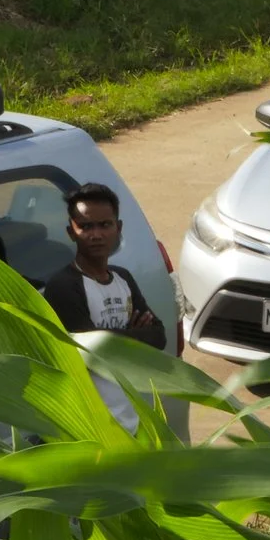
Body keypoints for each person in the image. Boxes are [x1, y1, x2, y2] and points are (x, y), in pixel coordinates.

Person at [40, 183, 168, 429]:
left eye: (104, 225)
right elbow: (89, 351)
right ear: (71, 232)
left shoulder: (123, 278)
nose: (96, 234)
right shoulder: (64, 286)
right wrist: (133, 335)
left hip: (131, 422)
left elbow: (159, 336)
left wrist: (110, 338)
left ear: (118, 228)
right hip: (92, 427)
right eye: (86, 226)